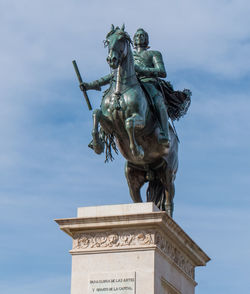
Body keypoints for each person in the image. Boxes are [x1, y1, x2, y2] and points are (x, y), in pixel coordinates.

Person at [82, 28, 172, 146]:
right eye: (137, 35)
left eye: (142, 35)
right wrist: (90, 85)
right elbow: (113, 75)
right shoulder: (128, 54)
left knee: (158, 100)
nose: (139, 37)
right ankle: (101, 134)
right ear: (132, 40)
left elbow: (162, 72)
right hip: (127, 83)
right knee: (108, 99)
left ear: (146, 39)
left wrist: (141, 70)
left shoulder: (154, 54)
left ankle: (165, 133)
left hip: (148, 82)